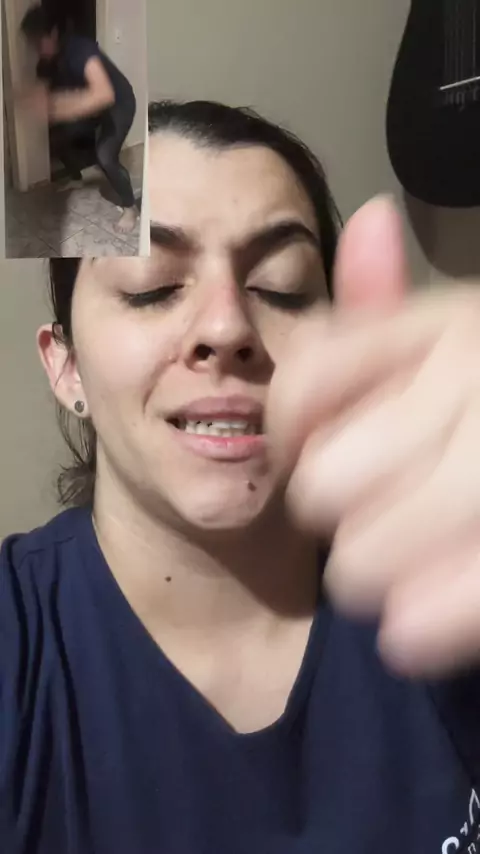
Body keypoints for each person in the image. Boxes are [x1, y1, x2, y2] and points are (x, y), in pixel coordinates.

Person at [2, 100, 480, 854]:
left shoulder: (450, 582)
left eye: (282, 286)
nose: (226, 328)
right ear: (65, 367)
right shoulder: (20, 647)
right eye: (151, 285)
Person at [19, 5, 138, 234]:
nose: (36, 48)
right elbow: (42, 95)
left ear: (53, 33)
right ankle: (76, 177)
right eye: (31, 42)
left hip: (119, 103)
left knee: (106, 156)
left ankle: (130, 207)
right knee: (57, 136)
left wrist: (63, 107)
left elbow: (104, 94)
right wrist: (28, 100)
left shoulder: (80, 48)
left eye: (38, 40)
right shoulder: (46, 63)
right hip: (93, 109)